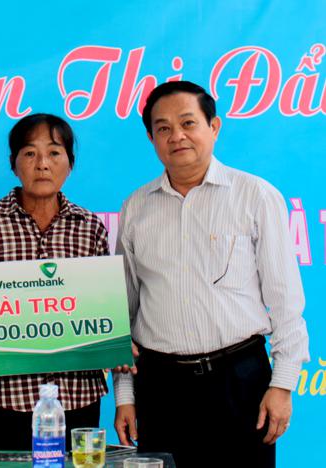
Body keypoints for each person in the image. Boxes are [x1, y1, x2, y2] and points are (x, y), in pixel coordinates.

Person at [113, 81, 309, 468]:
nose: (177, 136)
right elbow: (123, 315)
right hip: (161, 386)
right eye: (163, 128)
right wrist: (125, 396)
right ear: (151, 138)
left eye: (188, 123)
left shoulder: (255, 196)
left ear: (214, 126)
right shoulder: (135, 208)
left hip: (240, 380)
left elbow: (286, 301)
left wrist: (283, 384)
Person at [0, 113, 110, 451]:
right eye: (30, 153)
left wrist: (113, 345)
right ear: (14, 163)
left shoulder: (90, 227)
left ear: (70, 163)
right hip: (1, 401)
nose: (42, 164)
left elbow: (103, 311)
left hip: (76, 399)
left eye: (54, 152)